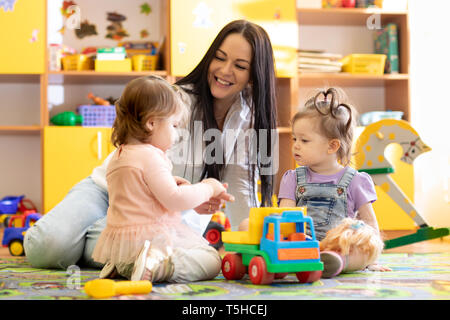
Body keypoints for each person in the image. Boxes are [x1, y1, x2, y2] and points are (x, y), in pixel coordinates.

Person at [24, 19, 278, 270]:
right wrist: (190, 194)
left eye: (240, 65)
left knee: (134, 253)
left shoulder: (249, 117)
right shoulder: (176, 100)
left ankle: (92, 242)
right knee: (47, 247)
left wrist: (255, 237)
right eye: (220, 58)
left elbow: (238, 184)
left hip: (168, 213)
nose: (224, 70)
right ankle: (85, 238)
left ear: (254, 76)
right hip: (112, 189)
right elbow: (142, 160)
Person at [91, 75, 226, 281]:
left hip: (124, 246)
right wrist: (208, 186)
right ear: (151, 123)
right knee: (212, 259)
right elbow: (175, 199)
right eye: (173, 125)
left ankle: (123, 265)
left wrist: (171, 181)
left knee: (191, 252)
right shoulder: (151, 155)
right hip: (152, 240)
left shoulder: (120, 156)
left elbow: (140, 196)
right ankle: (161, 266)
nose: (177, 134)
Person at [276, 87, 391, 277]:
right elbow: (284, 218)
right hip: (302, 244)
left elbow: (369, 223)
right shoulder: (292, 178)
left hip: (340, 247)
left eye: (304, 140)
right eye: (294, 138)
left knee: (358, 248)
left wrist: (372, 259)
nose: (295, 145)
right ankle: (311, 259)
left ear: (332, 146)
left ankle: (334, 262)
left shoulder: (355, 180)